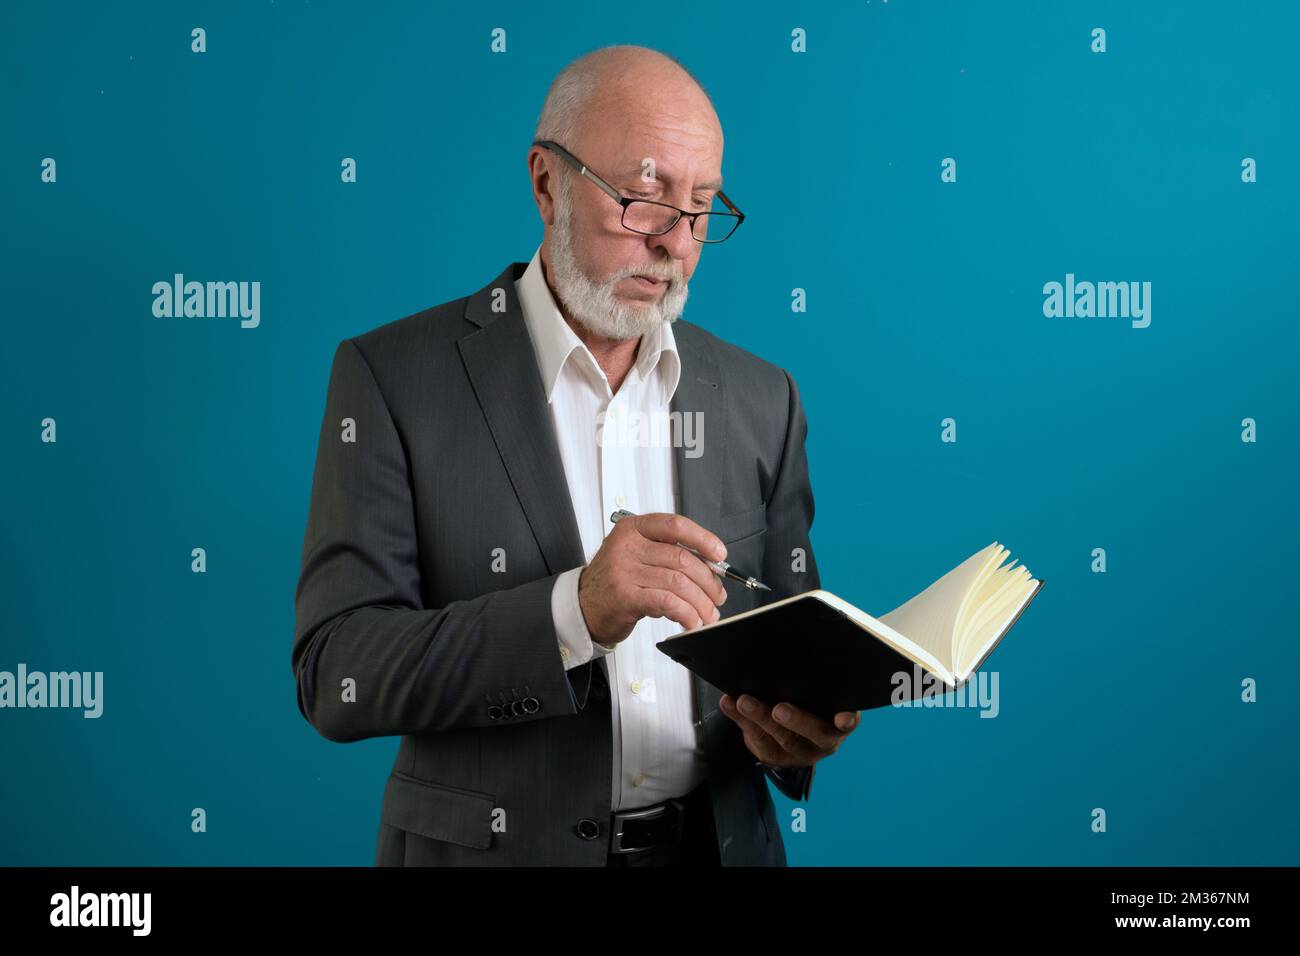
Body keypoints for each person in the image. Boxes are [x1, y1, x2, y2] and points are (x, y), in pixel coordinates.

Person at [292, 44, 858, 867]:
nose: (677, 245)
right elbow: (336, 671)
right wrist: (573, 613)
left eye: (701, 209)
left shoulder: (764, 398)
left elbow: (789, 646)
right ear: (546, 182)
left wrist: (792, 734)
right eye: (643, 199)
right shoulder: (392, 380)